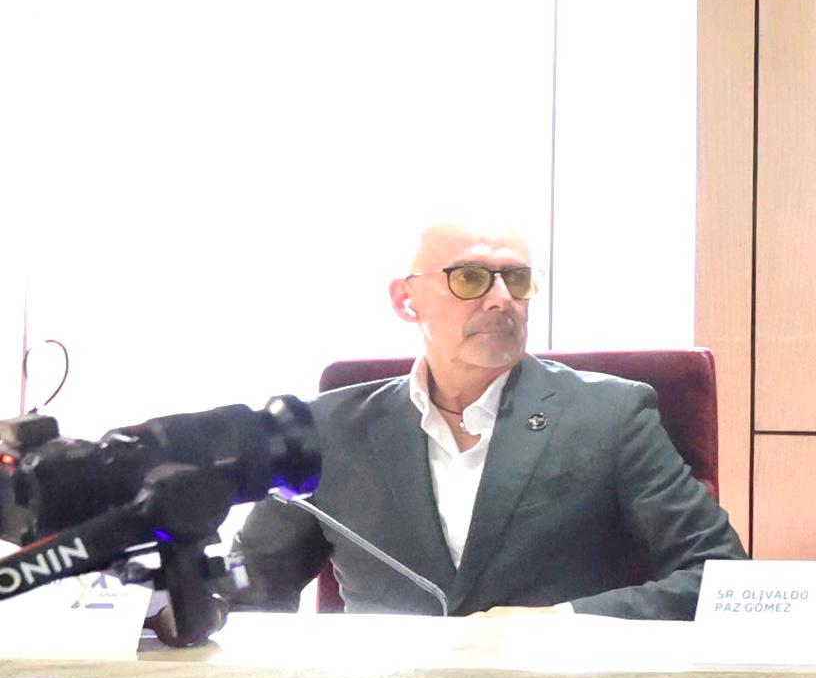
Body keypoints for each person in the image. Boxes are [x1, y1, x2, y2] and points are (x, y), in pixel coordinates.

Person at [234, 222, 742, 619]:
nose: (501, 299)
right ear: (405, 300)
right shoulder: (327, 429)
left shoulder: (611, 415)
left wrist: (563, 622)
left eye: (516, 279)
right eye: (470, 277)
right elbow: (249, 590)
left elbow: (719, 579)